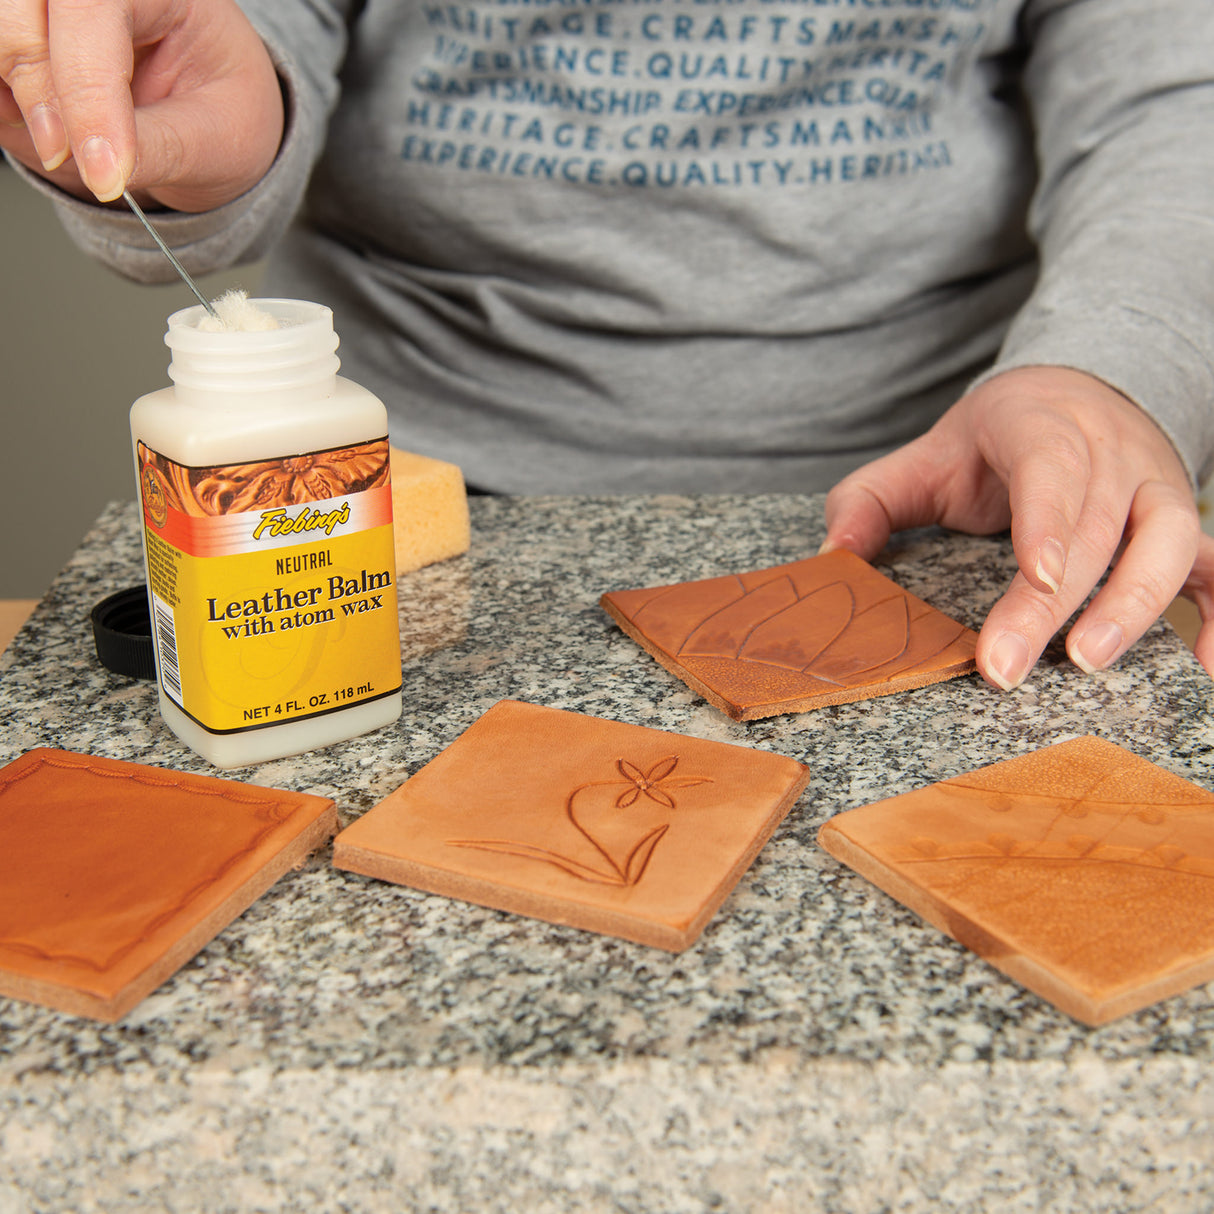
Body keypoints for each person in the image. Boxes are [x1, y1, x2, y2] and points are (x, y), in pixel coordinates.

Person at [3, 0, 1213, 691]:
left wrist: (1109, 369)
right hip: (399, 512)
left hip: (951, 512)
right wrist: (169, 120)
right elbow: (227, 42)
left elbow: (1172, 93)